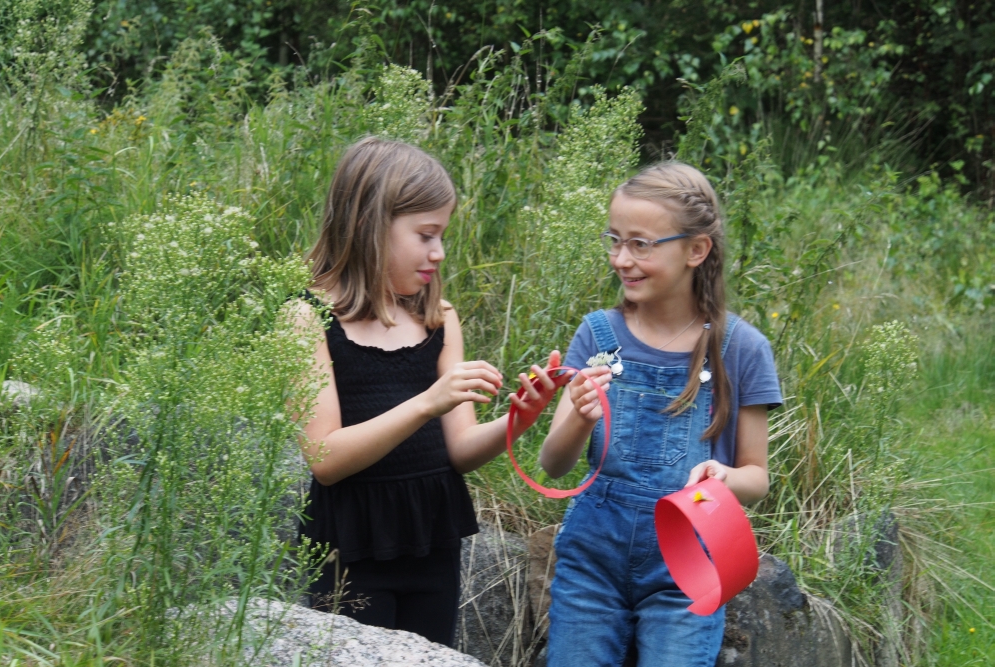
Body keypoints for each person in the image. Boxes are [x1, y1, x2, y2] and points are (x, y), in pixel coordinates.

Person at [290, 137, 562, 647]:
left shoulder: (437, 319)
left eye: (443, 235)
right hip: (350, 546)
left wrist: (521, 418)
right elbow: (325, 457)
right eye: (425, 234)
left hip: (431, 539)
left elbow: (458, 451)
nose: (438, 253)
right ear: (370, 226)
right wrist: (427, 402)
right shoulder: (307, 318)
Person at [538, 161, 783, 667]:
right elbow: (553, 465)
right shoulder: (597, 336)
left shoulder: (742, 349)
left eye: (642, 244)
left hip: (688, 568)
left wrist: (724, 477)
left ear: (696, 250)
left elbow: (756, 478)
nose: (622, 259)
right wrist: (580, 419)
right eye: (615, 240)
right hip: (591, 562)